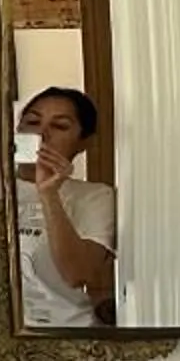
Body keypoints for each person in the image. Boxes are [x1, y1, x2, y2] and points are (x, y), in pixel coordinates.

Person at [14, 86, 115, 327]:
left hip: (67, 333)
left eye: (59, 126)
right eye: (32, 122)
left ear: (84, 142)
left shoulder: (94, 197)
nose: (42, 135)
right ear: (17, 131)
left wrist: (49, 195)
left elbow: (78, 274)